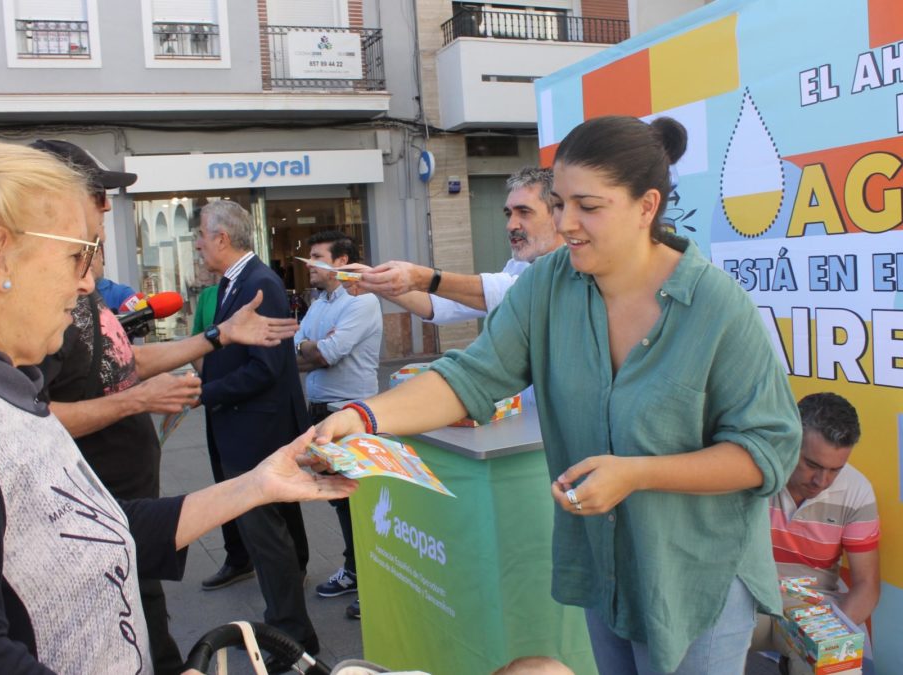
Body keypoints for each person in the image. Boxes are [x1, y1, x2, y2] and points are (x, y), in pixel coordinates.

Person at [316, 115, 801, 675]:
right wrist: (364, 416)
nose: (565, 223)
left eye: (588, 207)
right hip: (608, 565)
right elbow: (472, 376)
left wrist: (638, 473)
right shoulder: (549, 284)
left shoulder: (716, 306)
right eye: (560, 202)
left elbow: (767, 451)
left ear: (647, 207)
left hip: (697, 574)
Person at [0, 140, 355, 674]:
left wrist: (258, 484)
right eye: (77, 253)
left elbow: (97, 525)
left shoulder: (5, 384)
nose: (88, 282)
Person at [32, 139, 292, 674]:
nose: (107, 207)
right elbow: (28, 414)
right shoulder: (36, 302)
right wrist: (138, 401)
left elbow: (123, 360)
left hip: (132, 508)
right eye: (97, 194)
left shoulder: (81, 290)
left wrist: (216, 337)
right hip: (97, 512)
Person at [195, 199, 320, 656]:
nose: (197, 246)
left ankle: (290, 641)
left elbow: (265, 368)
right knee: (276, 537)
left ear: (222, 239)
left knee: (268, 542)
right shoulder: (238, 282)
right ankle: (289, 626)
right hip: (247, 429)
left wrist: (205, 393)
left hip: (257, 435)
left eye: (201, 237)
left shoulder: (259, 283)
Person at [295, 231, 383, 620]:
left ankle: (375, 582)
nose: (309, 264)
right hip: (320, 412)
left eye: (317, 257)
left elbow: (328, 354)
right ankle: (354, 570)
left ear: (341, 262)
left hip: (351, 416)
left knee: (359, 502)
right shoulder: (318, 304)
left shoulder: (362, 302)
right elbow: (294, 351)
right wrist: (310, 348)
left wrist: (314, 348)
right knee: (339, 500)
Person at [758, 392, 880, 671]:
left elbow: (867, 585)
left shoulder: (857, 490)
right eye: (812, 464)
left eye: (835, 469)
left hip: (812, 607)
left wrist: (829, 636)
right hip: (745, 598)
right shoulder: (754, 468)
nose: (821, 481)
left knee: (840, 665)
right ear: (789, 440)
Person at [349, 167, 560, 323]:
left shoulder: (575, 270)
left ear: (558, 215)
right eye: (508, 214)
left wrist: (421, 277)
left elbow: (511, 293)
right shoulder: (518, 266)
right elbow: (442, 305)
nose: (510, 225)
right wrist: (374, 280)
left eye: (524, 212)